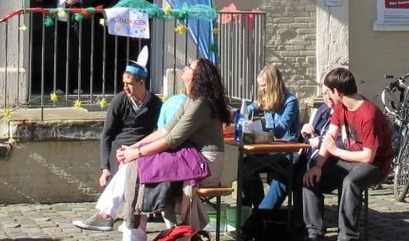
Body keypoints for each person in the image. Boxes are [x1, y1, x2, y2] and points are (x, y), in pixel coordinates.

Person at [115, 57, 229, 241]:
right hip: (190, 156)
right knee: (139, 164)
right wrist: (133, 148)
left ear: (198, 76)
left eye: (189, 66)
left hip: (206, 162)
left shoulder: (202, 103)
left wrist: (135, 153)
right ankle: (125, 223)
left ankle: (120, 220)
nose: (185, 67)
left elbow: (172, 139)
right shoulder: (190, 101)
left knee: (141, 164)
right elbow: (164, 130)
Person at [302, 68, 393, 241]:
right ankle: (314, 234)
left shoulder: (368, 114)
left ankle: (347, 236)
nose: (328, 96)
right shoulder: (340, 106)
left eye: (329, 92)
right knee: (311, 179)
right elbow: (330, 136)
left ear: (338, 92)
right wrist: (318, 166)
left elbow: (368, 157)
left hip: (375, 165)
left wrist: (336, 151)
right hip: (349, 158)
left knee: (351, 182)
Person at [73, 57, 163, 232]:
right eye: (123, 83)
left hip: (142, 148)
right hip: (119, 149)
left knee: (133, 167)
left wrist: (138, 149)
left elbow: (156, 133)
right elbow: (106, 135)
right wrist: (104, 167)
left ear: (142, 83)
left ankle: (110, 217)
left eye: (129, 83)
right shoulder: (119, 101)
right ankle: (121, 219)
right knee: (127, 166)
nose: (125, 87)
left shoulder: (155, 104)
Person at [238, 65, 301, 211]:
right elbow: (248, 109)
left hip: (287, 151)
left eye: (264, 85)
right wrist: (236, 113)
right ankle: (253, 209)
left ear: (273, 84)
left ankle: (261, 214)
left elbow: (280, 130)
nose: (261, 89)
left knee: (280, 174)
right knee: (244, 166)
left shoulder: (290, 101)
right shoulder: (266, 99)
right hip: (270, 149)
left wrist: (258, 132)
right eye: (259, 85)